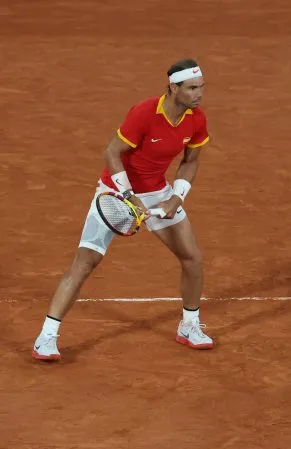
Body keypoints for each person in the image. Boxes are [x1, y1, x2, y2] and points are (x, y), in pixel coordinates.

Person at [32, 58, 214, 361]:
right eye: (192, 88)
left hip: (157, 191)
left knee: (192, 258)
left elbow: (191, 161)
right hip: (117, 191)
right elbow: (112, 152)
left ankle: (189, 326)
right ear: (173, 87)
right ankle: (46, 337)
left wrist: (176, 198)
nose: (199, 94)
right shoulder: (144, 112)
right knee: (85, 263)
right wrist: (129, 196)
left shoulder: (196, 119)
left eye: (201, 87)